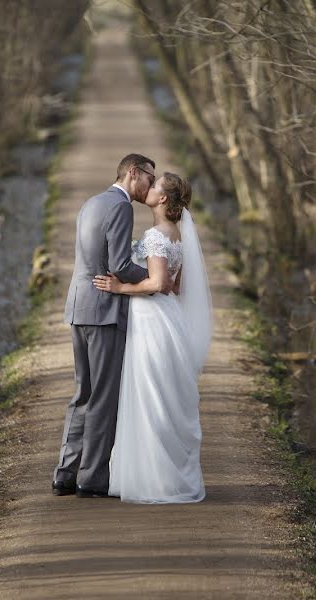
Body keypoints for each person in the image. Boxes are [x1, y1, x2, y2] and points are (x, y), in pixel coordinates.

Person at [53, 153, 171, 498]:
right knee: (103, 398)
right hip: (104, 311)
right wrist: (153, 279)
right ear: (133, 172)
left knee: (82, 394)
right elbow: (119, 265)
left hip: (79, 307)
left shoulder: (92, 202)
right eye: (150, 177)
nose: (151, 184)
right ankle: (91, 479)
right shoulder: (120, 207)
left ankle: (65, 472)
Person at [93, 172, 213, 503]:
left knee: (152, 397)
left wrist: (121, 287)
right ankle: (165, 475)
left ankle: (155, 479)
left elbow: (159, 283)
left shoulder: (157, 234)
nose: (149, 187)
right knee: (164, 397)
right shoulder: (178, 234)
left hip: (153, 321)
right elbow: (177, 286)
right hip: (169, 317)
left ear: (162, 199)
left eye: (155, 184)